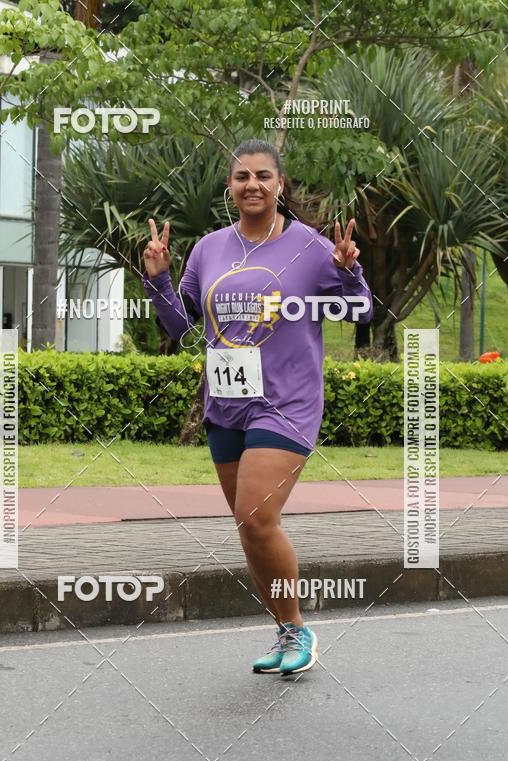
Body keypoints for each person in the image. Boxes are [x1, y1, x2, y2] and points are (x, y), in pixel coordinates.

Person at [142, 138, 373, 676]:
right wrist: (157, 280)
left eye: (263, 176)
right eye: (243, 176)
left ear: (279, 185)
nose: (253, 185)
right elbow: (182, 328)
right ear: (230, 187)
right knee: (250, 528)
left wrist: (347, 271)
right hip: (225, 404)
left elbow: (360, 313)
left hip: (286, 402)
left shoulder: (311, 247)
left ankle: (298, 630)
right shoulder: (209, 249)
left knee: (255, 513)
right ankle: (286, 629)